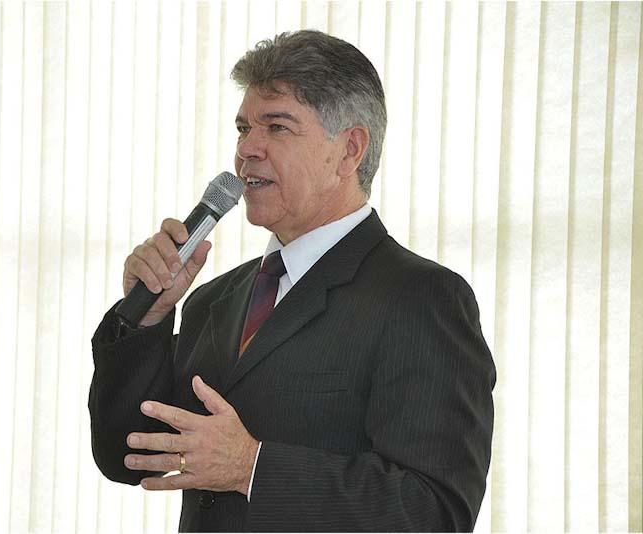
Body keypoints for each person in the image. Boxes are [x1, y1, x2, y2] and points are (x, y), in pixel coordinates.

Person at [89, 30, 496, 532]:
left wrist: (252, 469)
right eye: (243, 129)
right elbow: (129, 455)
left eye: (277, 127)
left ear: (349, 150)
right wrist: (148, 318)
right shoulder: (211, 300)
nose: (247, 150)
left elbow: (435, 512)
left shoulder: (421, 298)